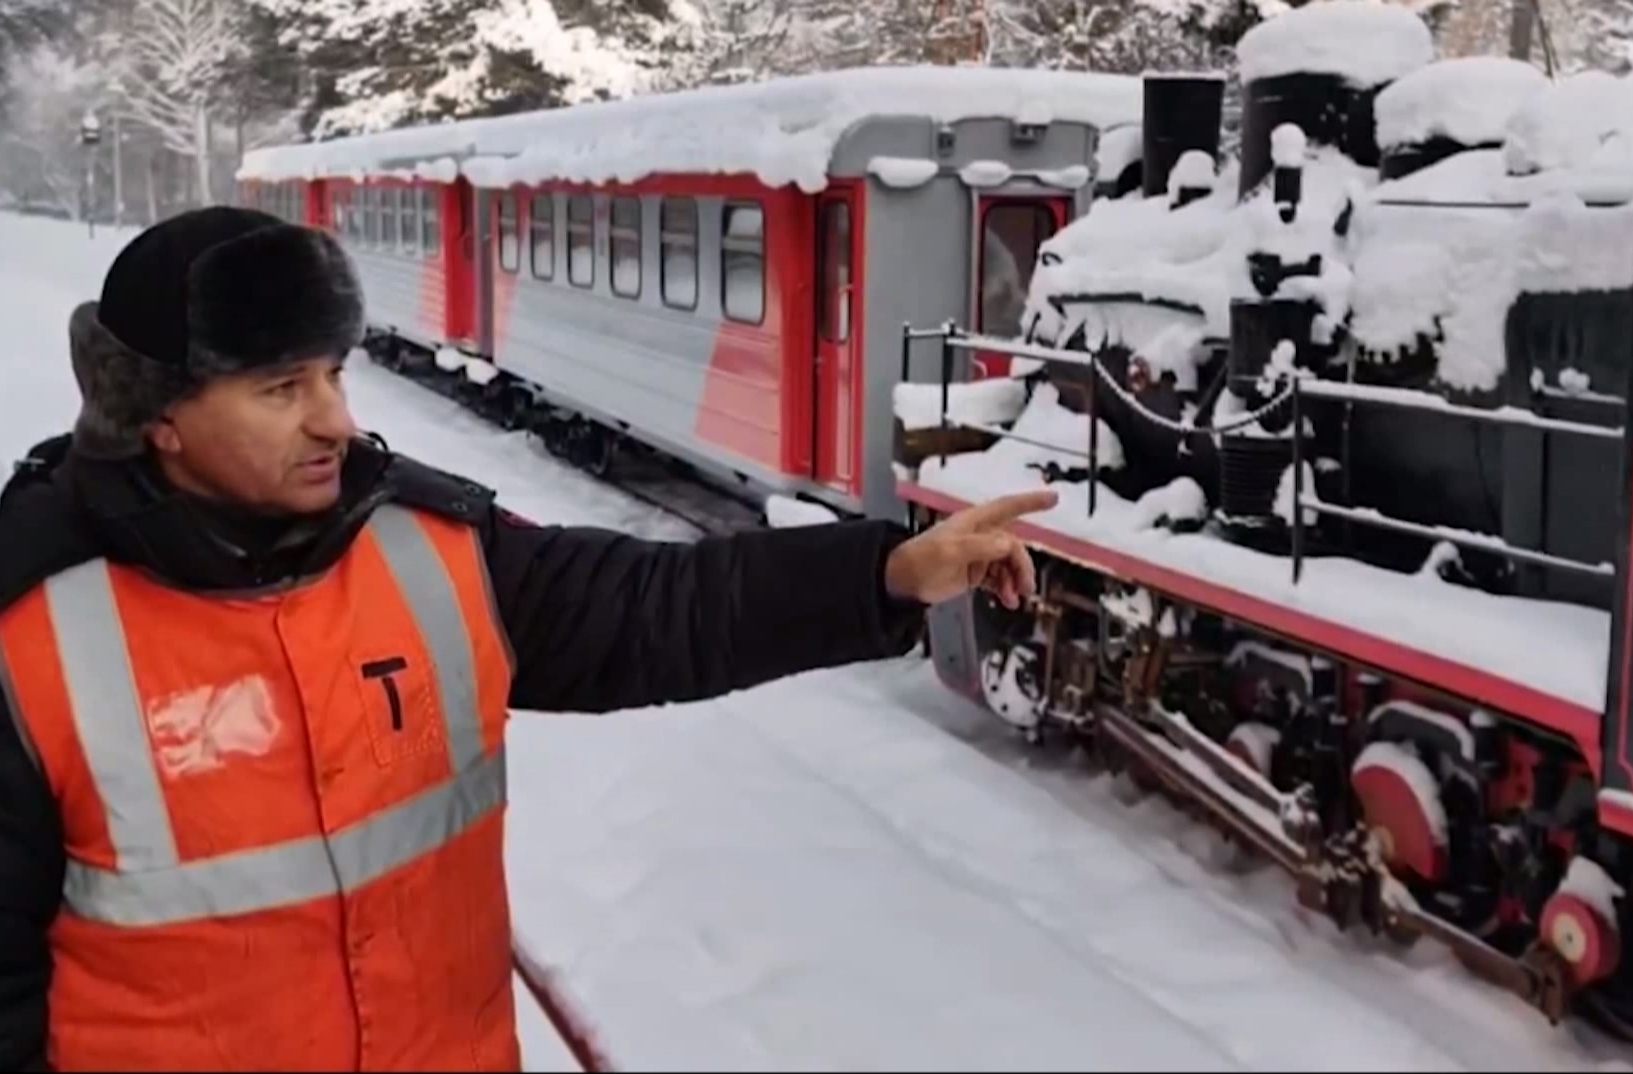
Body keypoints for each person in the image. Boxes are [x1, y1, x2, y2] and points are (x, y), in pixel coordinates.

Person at [0, 206, 1058, 1071]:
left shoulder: (430, 548)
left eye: (333, 374)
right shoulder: (27, 629)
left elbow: (654, 607)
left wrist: (881, 574)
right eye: (282, 389)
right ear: (157, 417)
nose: (333, 420)